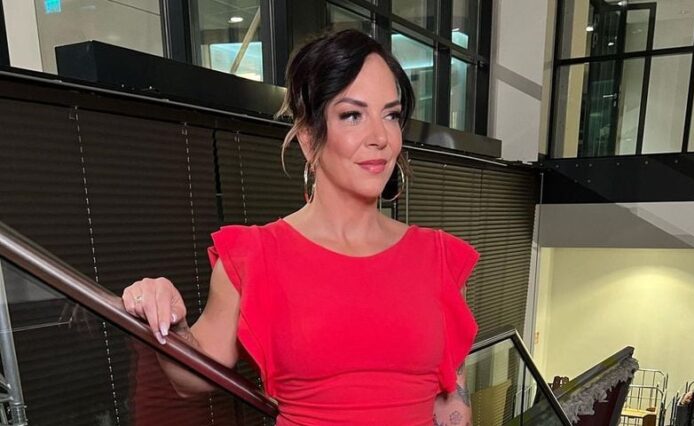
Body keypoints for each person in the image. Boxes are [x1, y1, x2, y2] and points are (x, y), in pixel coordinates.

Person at [122, 29, 480, 426]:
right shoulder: (254, 256)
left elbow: (452, 400)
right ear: (309, 137)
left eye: (391, 115)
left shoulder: (440, 258)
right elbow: (192, 380)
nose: (380, 137)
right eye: (352, 115)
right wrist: (170, 321)